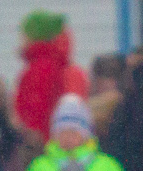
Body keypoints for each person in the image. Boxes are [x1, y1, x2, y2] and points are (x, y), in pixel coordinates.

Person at [14, 11, 90, 141]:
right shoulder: (62, 66)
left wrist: (32, 140)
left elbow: (36, 111)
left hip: (42, 144)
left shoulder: (40, 69)